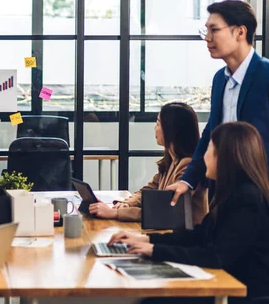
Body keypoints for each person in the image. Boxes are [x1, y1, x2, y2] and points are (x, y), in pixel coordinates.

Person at [109, 122, 269, 303]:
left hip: (243, 293)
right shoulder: (234, 192)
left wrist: (154, 250)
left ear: (224, 157)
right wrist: (146, 240)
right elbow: (199, 236)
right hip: (225, 282)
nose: (201, 157)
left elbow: (216, 256)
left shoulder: (247, 198)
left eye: (208, 149)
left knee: (154, 300)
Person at [168, 0, 269, 206]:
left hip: (259, 192)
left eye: (214, 30)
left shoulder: (265, 75)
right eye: (206, 30)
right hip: (222, 188)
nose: (207, 38)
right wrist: (188, 180)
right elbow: (211, 134)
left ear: (240, 32)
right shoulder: (219, 79)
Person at [89, 102, 208, 224]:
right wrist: (127, 203)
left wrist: (115, 213)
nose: (154, 128)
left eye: (158, 123)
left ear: (171, 130)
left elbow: (162, 212)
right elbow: (149, 190)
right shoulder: (172, 162)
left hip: (185, 238)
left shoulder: (187, 166)